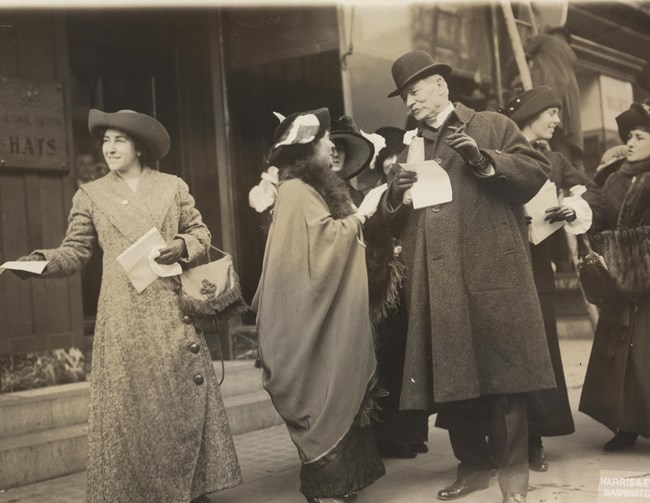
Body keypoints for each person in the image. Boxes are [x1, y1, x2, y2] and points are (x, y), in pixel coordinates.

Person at [12, 109, 242, 502]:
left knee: (178, 407)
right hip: (122, 321)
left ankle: (188, 490)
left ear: (140, 147)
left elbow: (201, 232)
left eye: (120, 140)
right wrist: (39, 263)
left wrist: (181, 246)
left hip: (172, 314)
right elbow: (76, 251)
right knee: (131, 417)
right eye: (105, 141)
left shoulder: (172, 186)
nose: (111, 148)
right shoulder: (91, 194)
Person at [377, 50, 556, 503]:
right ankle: (473, 470)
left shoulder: (493, 125)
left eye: (414, 92)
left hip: (494, 275)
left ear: (440, 85)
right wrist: (393, 198)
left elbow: (536, 173)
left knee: (506, 385)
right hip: (441, 285)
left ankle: (514, 481)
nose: (409, 104)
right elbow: (391, 222)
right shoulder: (409, 146)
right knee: (456, 385)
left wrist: (483, 159)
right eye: (404, 97)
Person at [252, 108, 385, 503]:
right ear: (308, 147)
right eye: (326, 139)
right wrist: (362, 214)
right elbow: (324, 246)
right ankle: (328, 492)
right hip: (303, 319)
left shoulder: (303, 190)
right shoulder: (297, 192)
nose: (332, 145)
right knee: (324, 392)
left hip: (315, 314)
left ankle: (339, 488)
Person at [501, 86, 605, 471]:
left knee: (540, 348)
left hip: (537, 266)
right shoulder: (500, 151)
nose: (558, 120)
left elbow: (593, 193)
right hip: (498, 265)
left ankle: (534, 438)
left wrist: (571, 206)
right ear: (530, 115)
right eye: (552, 112)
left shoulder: (556, 160)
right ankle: (499, 437)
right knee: (503, 349)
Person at [579, 101, 650, 452]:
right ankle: (624, 425)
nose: (631, 143)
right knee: (621, 357)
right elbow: (598, 214)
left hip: (648, 286)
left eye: (639, 136)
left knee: (645, 356)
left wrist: (618, 249)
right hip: (621, 284)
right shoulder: (615, 177)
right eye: (628, 136)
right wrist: (582, 214)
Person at [504, 26, 583, 168]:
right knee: (559, 137)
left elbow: (519, 58)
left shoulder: (543, 39)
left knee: (539, 130)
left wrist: (504, 81)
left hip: (549, 92)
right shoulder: (571, 52)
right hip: (569, 101)